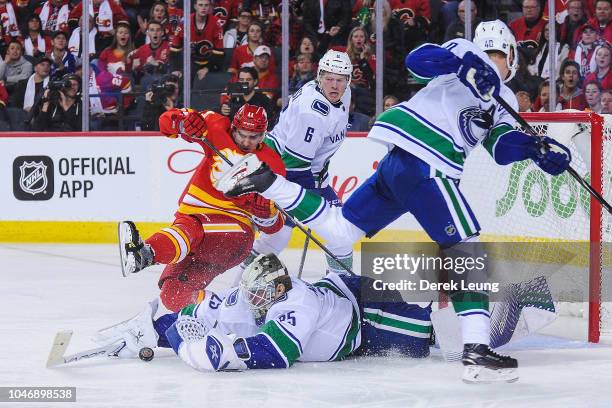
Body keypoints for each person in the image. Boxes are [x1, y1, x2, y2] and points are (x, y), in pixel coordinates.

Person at [216, 20, 572, 383]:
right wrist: (465, 65)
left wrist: (534, 149)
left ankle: (266, 181)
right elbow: (420, 60)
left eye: (500, 56)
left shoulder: (505, 100)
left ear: (511, 58)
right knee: (465, 246)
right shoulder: (463, 53)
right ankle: (477, 351)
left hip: (398, 168)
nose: (494, 61)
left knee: (340, 235)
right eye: (489, 54)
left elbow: (500, 148)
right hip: (425, 161)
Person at [93, 253, 433, 371]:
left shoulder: (296, 304)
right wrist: (152, 331)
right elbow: (202, 311)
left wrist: (186, 346)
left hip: (367, 315)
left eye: (258, 294)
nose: (251, 300)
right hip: (343, 290)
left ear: (278, 289)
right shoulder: (257, 293)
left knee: (423, 337)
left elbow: (274, 354)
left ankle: (468, 301)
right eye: (250, 293)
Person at [118, 104, 286, 312]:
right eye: (242, 135)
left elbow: (274, 226)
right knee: (174, 294)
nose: (246, 142)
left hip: (234, 235)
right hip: (195, 226)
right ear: (233, 127)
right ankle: (232, 312)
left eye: (254, 137)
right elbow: (165, 122)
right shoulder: (215, 127)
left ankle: (146, 254)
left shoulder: (273, 165)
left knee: (191, 227)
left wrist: (266, 215)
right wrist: (181, 122)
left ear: (263, 135)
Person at [239, 50, 352, 281]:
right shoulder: (312, 113)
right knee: (278, 237)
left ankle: (342, 289)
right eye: (329, 78)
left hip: (304, 170)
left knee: (341, 232)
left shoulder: (343, 94)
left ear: (348, 81)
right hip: (282, 170)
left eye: (340, 80)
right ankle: (237, 291)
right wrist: (313, 204)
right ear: (319, 76)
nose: (334, 85)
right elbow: (295, 166)